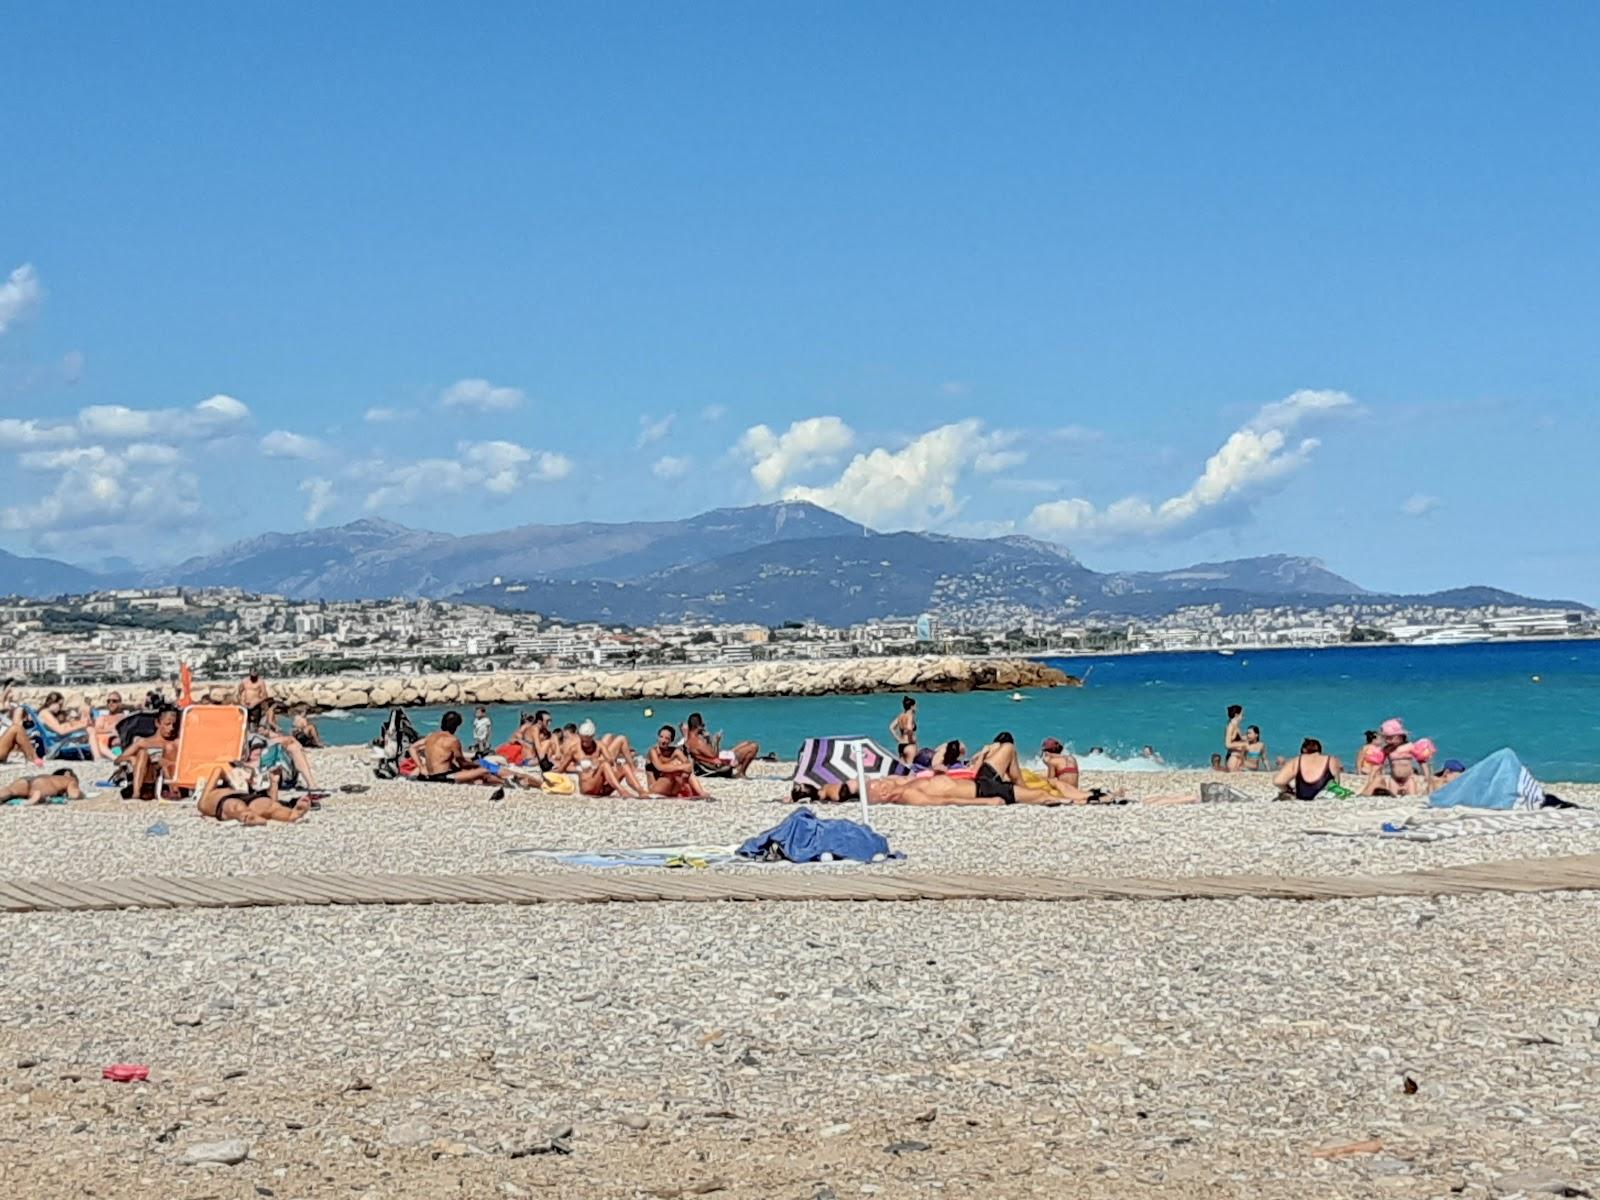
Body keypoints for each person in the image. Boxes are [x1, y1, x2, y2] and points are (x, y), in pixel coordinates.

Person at [405, 711, 500, 786]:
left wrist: (421, 766)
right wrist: (476, 764)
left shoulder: (431, 736)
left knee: (473, 775)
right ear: (455, 726)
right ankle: (503, 783)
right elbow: (462, 763)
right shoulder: (453, 740)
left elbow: (412, 748)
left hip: (426, 775)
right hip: (441, 777)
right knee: (484, 771)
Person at [196, 764, 311, 825]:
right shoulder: (204, 800)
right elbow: (218, 769)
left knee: (269, 805)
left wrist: (274, 784)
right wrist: (228, 780)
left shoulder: (213, 796)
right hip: (225, 801)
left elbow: (218, 770)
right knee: (236, 806)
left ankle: (291, 814)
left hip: (245, 797)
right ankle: (248, 816)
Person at [573, 720, 649, 797]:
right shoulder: (574, 747)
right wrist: (581, 767)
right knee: (619, 740)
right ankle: (622, 790)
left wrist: (612, 765)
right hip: (590, 786)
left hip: (601, 786)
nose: (585, 743)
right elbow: (563, 767)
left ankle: (641, 791)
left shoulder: (598, 745)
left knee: (624, 766)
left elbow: (610, 760)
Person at [124, 708, 181, 800]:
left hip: (169, 772)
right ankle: (136, 793)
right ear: (157, 723)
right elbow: (119, 759)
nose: (171, 728)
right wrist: (131, 758)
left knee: (169, 751)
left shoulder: (176, 742)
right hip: (148, 773)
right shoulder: (144, 741)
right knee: (143, 753)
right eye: (167, 724)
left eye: (174, 725)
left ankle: (174, 791)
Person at [684, 712, 759, 778]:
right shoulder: (697, 741)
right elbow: (714, 755)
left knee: (746, 743)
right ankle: (741, 772)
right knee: (754, 746)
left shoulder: (689, 740)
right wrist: (715, 740)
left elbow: (706, 755)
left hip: (716, 759)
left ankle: (740, 768)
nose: (704, 727)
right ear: (698, 726)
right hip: (719, 764)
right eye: (703, 725)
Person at [646, 725, 709, 798]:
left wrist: (684, 770)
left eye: (667, 738)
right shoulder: (653, 751)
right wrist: (680, 767)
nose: (663, 740)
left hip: (672, 789)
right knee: (676, 765)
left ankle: (701, 793)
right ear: (658, 737)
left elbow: (689, 766)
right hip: (656, 787)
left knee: (684, 769)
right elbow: (660, 767)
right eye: (661, 737)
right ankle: (690, 791)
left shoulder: (675, 751)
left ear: (671, 740)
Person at [1273, 738, 1343, 801]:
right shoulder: (1331, 760)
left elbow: (1278, 781)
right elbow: (1337, 783)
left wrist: (1288, 789)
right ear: (1319, 750)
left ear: (1303, 750)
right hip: (1323, 795)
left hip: (1302, 795)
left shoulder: (1298, 760)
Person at [3, 768, 82, 806]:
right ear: (67, 773)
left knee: (10, 790)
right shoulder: (69, 779)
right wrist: (82, 794)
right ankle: (36, 797)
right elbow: (74, 795)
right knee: (40, 790)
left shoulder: (48, 777)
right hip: (41, 783)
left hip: (26, 779)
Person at [89, 692, 128, 760]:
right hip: (103, 745)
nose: (110, 703)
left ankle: (108, 758)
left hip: (118, 745)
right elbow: (96, 730)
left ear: (120, 703)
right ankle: (101, 759)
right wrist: (110, 731)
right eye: (108, 701)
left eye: (114, 701)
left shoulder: (124, 718)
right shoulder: (103, 718)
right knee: (95, 734)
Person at [889, 697, 919, 765]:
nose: (916, 708)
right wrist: (911, 740)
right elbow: (909, 728)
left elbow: (891, 727)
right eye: (915, 706)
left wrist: (898, 738)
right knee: (910, 769)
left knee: (902, 770)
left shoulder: (900, 716)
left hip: (901, 745)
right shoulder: (910, 715)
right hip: (909, 745)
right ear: (912, 706)